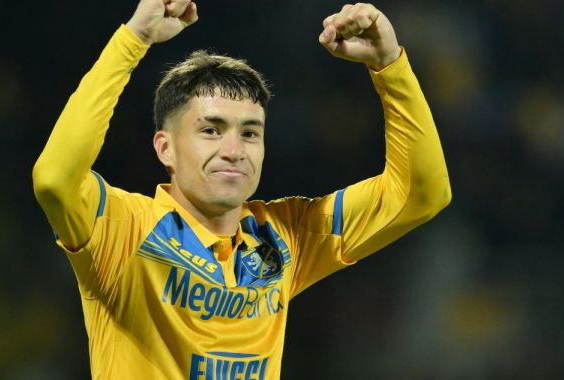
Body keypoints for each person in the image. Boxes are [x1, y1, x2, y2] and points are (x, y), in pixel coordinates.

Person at [32, 0, 451, 378]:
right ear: (166, 148)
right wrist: (133, 40)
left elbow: (422, 193)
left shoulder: (287, 237)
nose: (234, 150)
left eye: (250, 133)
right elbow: (55, 177)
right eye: (211, 130)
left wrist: (389, 66)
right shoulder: (124, 231)